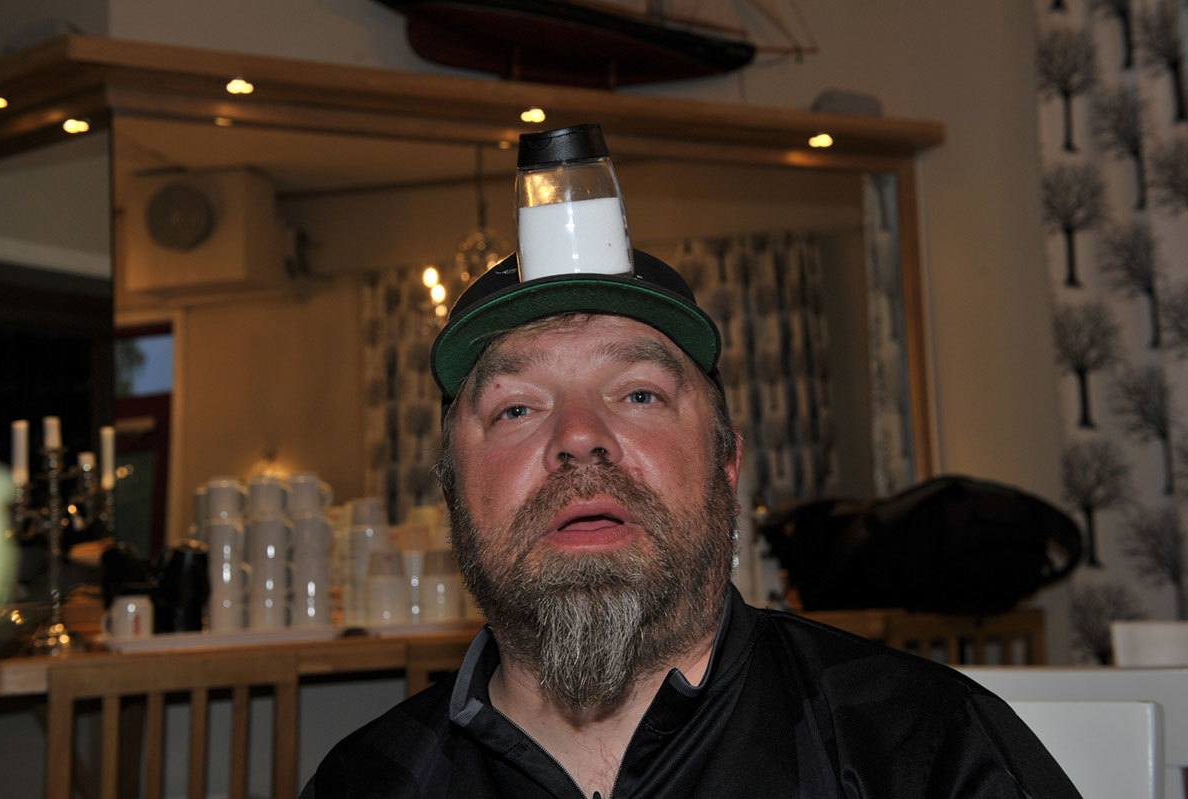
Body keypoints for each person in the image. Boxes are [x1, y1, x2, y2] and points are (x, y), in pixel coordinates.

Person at [304, 251, 1079, 798]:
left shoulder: (922, 751)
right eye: (516, 408)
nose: (580, 436)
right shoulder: (366, 782)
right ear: (452, 490)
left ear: (727, 459)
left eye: (639, 393)